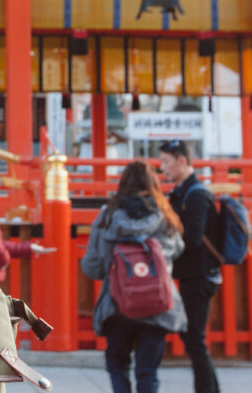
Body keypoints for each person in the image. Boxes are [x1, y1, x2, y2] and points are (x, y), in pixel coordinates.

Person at [81, 161, 187, 393]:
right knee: (147, 371)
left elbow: (93, 266)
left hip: (118, 304)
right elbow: (178, 251)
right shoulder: (165, 217)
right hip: (157, 304)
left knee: (118, 365)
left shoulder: (108, 217)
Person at [160, 140, 221, 393]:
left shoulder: (196, 194)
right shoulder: (184, 191)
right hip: (194, 275)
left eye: (166, 161)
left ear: (182, 161)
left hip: (199, 276)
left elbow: (193, 239)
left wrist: (164, 251)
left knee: (195, 339)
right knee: (193, 339)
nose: (163, 168)